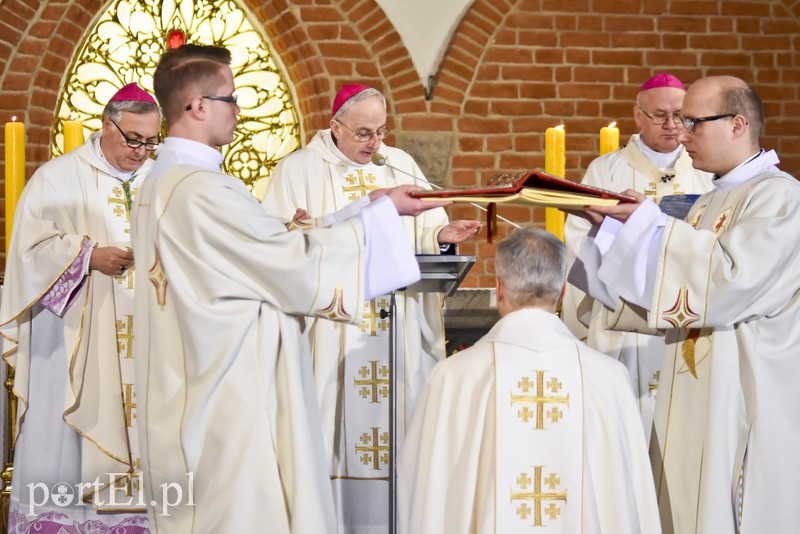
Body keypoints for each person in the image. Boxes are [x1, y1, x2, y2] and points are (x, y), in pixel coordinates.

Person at [133, 43, 450, 533]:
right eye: (231, 98)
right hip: (228, 395)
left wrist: (373, 205)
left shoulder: (167, 180)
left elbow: (272, 242)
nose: (239, 110)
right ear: (197, 106)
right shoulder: (203, 190)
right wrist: (382, 217)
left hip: (193, 381)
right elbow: (294, 265)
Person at [568, 75, 800, 533]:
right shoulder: (709, 201)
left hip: (740, 397)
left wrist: (650, 225)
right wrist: (610, 229)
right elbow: (664, 286)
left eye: (694, 122)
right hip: (694, 388)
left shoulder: (779, 197)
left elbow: (728, 282)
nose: (683, 133)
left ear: (737, 124)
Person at [261, 84, 481, 532]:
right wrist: (314, 226)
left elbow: (424, 230)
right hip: (333, 330)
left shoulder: (400, 165)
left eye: (380, 131)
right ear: (334, 126)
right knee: (329, 423)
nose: (374, 144)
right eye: (363, 133)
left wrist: (441, 238)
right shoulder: (298, 170)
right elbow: (280, 246)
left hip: (395, 323)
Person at [398, 227, 660, 534]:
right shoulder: (609, 378)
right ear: (562, 291)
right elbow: (632, 498)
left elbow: (423, 495)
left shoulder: (453, 377)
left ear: (499, 289)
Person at [0, 84, 160, 532]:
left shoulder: (165, 179)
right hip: (75, 344)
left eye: (151, 141)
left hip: (152, 338)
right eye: (133, 139)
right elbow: (27, 255)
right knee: (67, 439)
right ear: (107, 126)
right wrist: (89, 258)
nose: (142, 152)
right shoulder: (58, 177)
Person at [563, 73, 712, 442]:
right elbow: (580, 241)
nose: (672, 125)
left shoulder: (707, 171)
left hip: (685, 312)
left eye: (680, 115)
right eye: (660, 114)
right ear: (638, 116)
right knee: (624, 428)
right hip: (622, 314)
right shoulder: (606, 170)